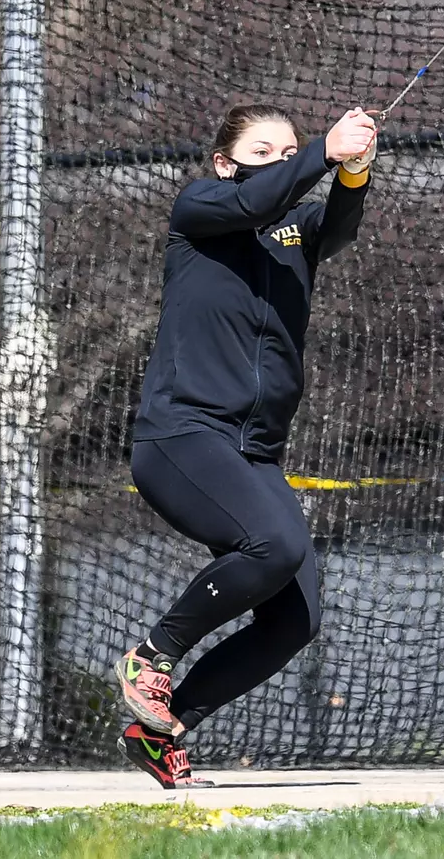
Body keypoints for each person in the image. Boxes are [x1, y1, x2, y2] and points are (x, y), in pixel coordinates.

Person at [114, 102, 378, 789]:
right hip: (182, 437)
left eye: (288, 151)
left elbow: (340, 223)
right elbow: (261, 197)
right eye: (266, 152)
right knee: (274, 545)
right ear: (225, 163)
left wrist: (354, 168)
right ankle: (154, 655)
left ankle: (158, 734)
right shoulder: (199, 209)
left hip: (253, 452)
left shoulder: (295, 227)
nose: (284, 162)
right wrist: (320, 152)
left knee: (295, 619)